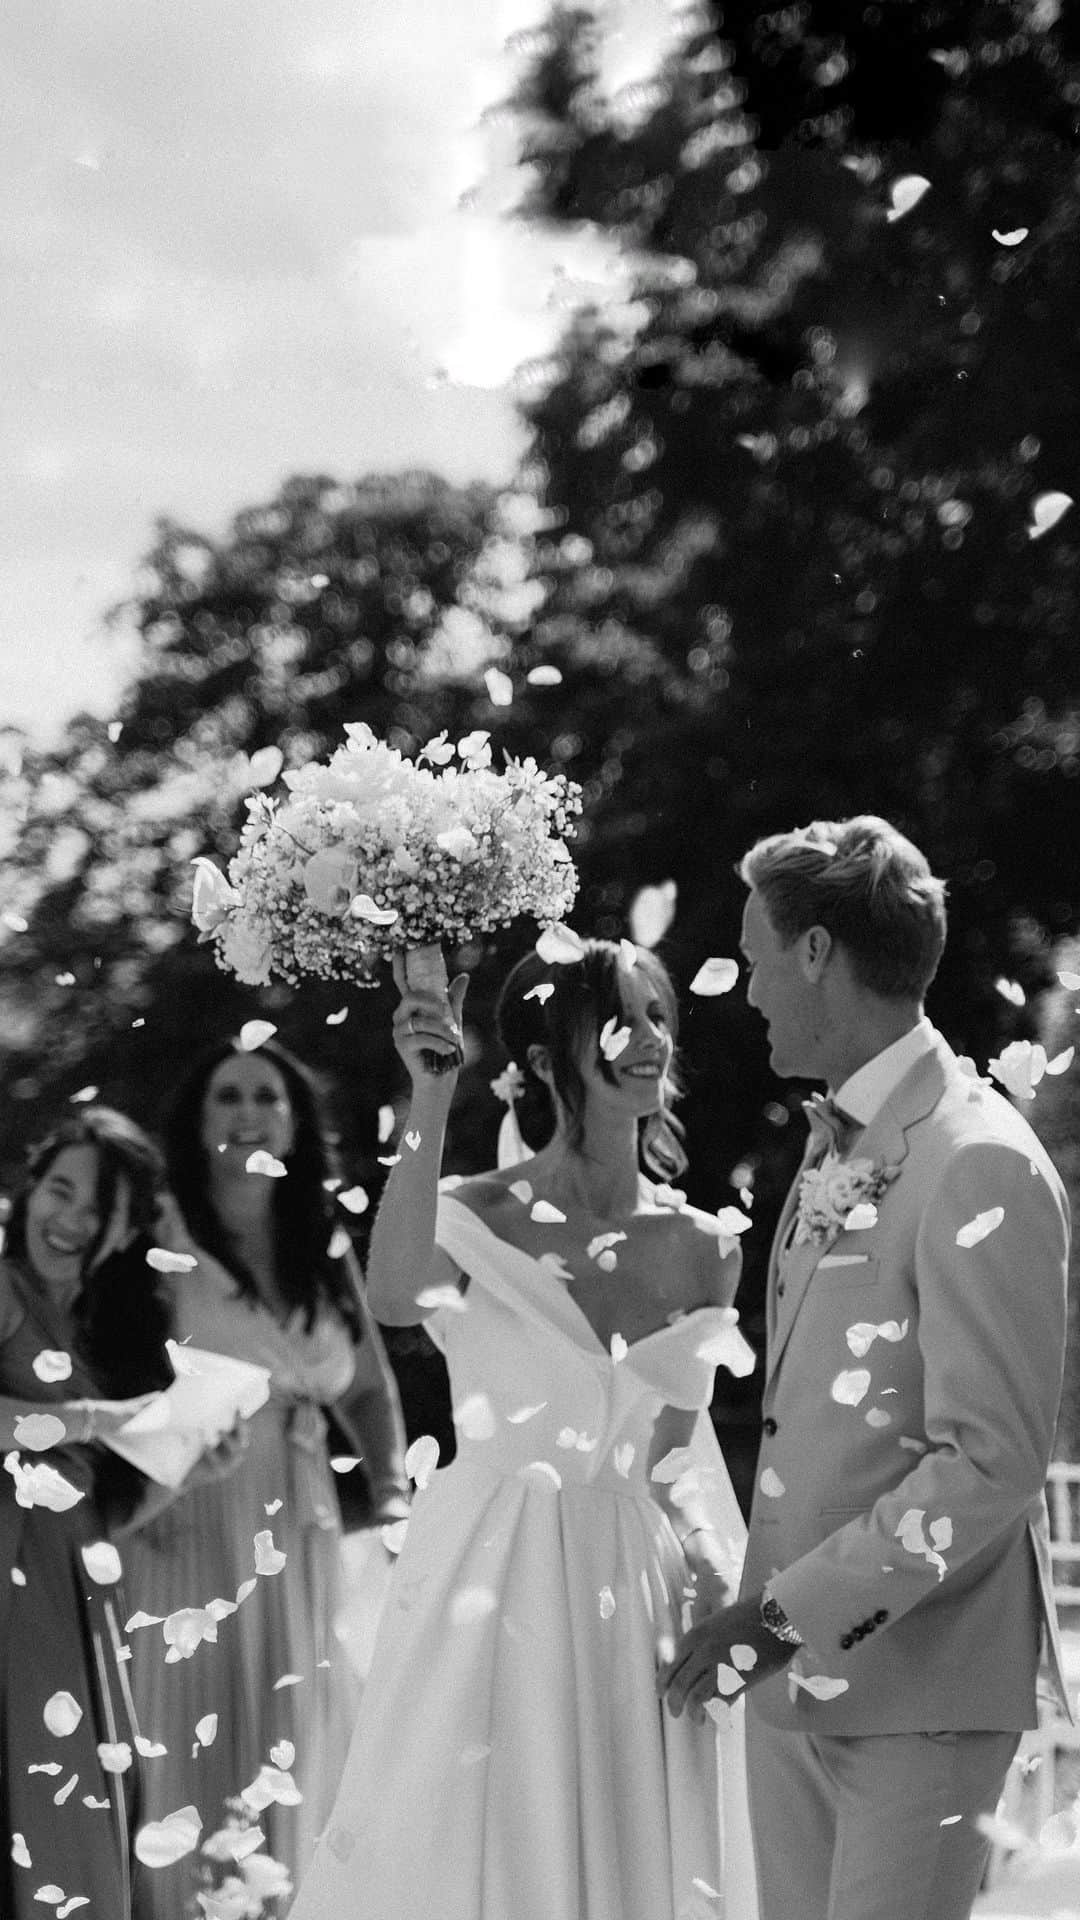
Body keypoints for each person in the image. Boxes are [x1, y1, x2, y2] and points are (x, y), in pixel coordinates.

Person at [288, 938, 761, 1920]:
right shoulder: (473, 1212)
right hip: (490, 1576)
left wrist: (717, 1571)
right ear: (546, 1062)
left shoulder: (706, 1248)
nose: (648, 1040)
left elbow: (674, 1457)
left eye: (660, 1013)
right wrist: (428, 1095)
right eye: (618, 1019)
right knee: (480, 1851)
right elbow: (392, 1294)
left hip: (635, 1590)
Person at [661, 815, 1072, 1920]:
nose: (746, 992)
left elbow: (991, 1460)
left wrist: (784, 1615)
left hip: (924, 1692)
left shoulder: (977, 1156)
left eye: (754, 960)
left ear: (815, 952)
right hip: (794, 1685)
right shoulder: (834, 1140)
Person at [124, 1038, 409, 1918]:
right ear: (197, 1120)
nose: (249, 1111)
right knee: (188, 1730)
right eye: (227, 1096)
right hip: (188, 1508)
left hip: (303, 1518)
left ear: (293, 1121)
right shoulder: (158, 1233)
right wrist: (135, 1489)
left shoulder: (318, 1238)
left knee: (295, 1733)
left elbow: (365, 1383)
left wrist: (393, 1494)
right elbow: (118, 1372)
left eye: (267, 1096)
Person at [0, 1107, 174, 1920]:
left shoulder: (101, 1325)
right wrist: (96, 1419)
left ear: (128, 1229)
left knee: (72, 1818)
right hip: (10, 1597)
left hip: (71, 1601)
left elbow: (94, 1516)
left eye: (95, 1208)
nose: (67, 1219)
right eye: (57, 1190)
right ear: (28, 1189)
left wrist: (182, 1464)